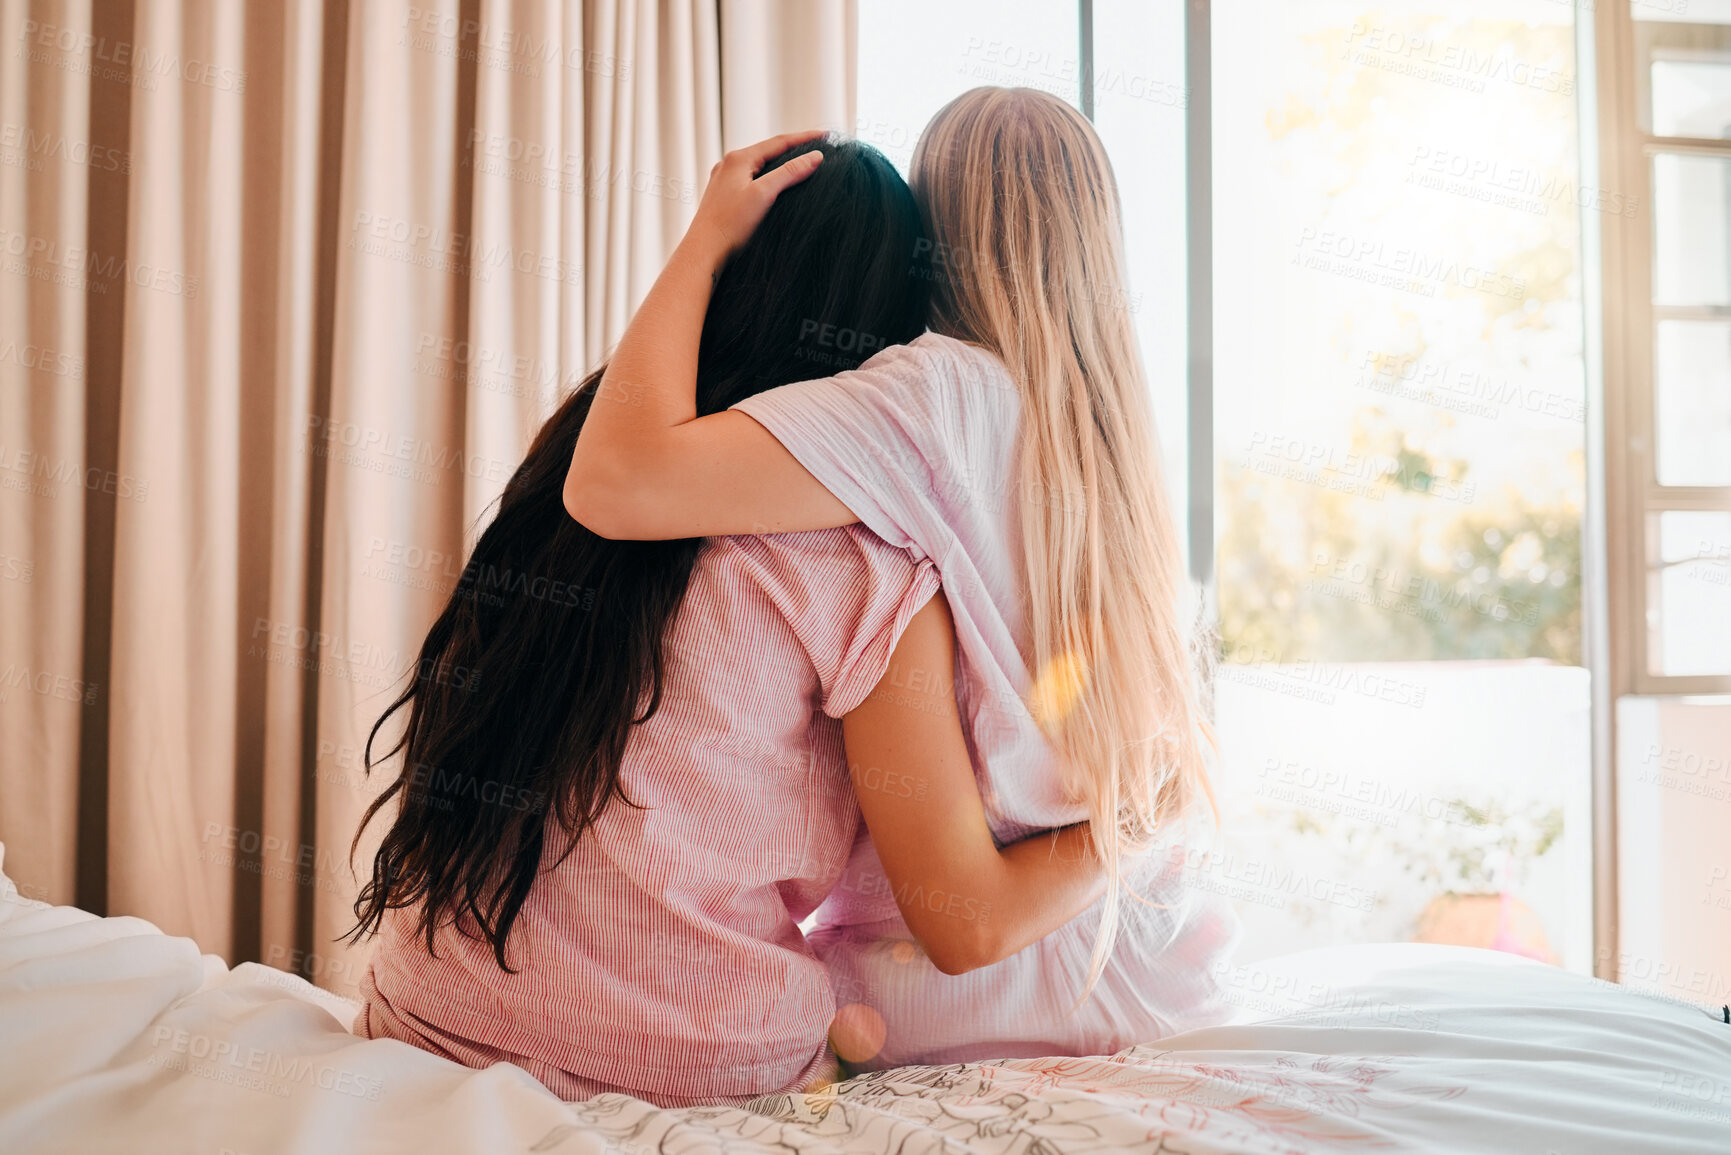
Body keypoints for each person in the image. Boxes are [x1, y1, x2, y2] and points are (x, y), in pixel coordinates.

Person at [346, 135, 1107, 1107]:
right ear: (894, 336)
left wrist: (702, 244)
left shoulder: (570, 471)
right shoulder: (867, 567)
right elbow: (967, 925)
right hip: (689, 1067)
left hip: (427, 1016)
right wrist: (1127, 829)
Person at [564, 90, 1243, 1070]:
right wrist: (1141, 820)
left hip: (973, 980)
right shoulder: (1114, 443)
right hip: (1153, 952)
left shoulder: (929, 398)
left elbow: (617, 482)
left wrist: (708, 243)